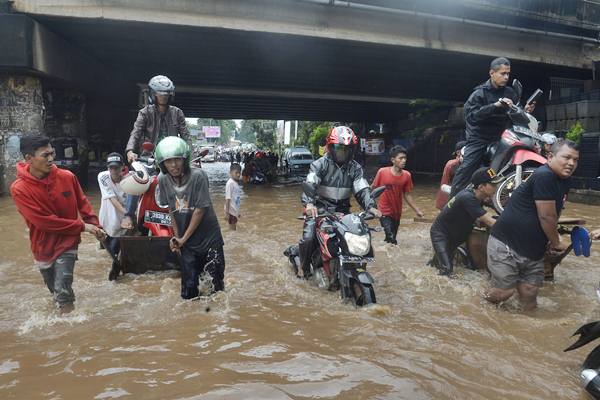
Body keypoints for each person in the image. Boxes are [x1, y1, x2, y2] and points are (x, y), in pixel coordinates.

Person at [11, 136, 105, 312]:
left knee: (62, 293)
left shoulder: (67, 177)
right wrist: (83, 227)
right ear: (29, 159)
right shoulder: (19, 189)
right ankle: (66, 313)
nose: (51, 159)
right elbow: (43, 222)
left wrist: (95, 226)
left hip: (68, 242)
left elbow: (83, 204)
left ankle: (69, 331)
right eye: (45, 155)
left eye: (52, 153)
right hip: (42, 247)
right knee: (56, 292)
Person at [485, 139, 579, 311]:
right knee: (503, 293)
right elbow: (546, 216)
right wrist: (557, 242)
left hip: (532, 249)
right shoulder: (545, 175)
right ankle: (479, 305)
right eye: (566, 157)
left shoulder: (565, 180)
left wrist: (550, 241)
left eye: (575, 160)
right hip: (507, 244)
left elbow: (556, 210)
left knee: (529, 294)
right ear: (550, 156)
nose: (571, 163)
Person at [297, 126, 382, 277]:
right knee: (308, 238)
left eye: (347, 149)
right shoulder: (319, 165)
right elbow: (310, 184)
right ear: (330, 147)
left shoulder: (355, 168)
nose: (343, 152)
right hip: (319, 210)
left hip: (343, 212)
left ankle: (356, 269)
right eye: (339, 148)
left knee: (360, 235)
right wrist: (309, 204)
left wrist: (371, 207)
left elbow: (362, 189)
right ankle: (303, 269)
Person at [450, 57, 535, 199]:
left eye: (508, 73)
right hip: (479, 138)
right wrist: (495, 106)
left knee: (506, 167)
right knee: (465, 170)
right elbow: (472, 117)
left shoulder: (510, 92)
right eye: (502, 73)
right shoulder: (478, 94)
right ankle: (451, 207)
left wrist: (524, 110)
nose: (506, 77)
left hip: (501, 137)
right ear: (492, 73)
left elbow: (514, 112)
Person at [156, 136, 225, 299]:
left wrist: (183, 239)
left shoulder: (198, 176)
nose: (173, 165)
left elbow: (200, 210)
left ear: (184, 159)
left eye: (177, 160)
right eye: (168, 161)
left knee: (214, 291)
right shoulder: (163, 180)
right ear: (162, 164)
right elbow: (172, 211)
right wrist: (176, 238)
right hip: (187, 243)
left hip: (209, 241)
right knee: (188, 292)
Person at [121, 75, 190, 230]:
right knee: (137, 177)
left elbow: (186, 136)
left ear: (170, 96)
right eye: (159, 94)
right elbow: (136, 132)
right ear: (153, 94)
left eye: (166, 94)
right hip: (148, 158)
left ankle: (186, 217)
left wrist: (191, 155)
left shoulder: (177, 113)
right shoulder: (145, 112)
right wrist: (130, 150)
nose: (163, 97)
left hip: (171, 158)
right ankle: (129, 214)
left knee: (188, 182)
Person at [430, 167, 500, 276]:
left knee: (435, 264)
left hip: (455, 236)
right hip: (441, 235)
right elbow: (490, 222)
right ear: (481, 187)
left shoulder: (479, 197)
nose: (496, 187)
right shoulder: (468, 198)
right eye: (493, 184)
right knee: (447, 270)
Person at [371, 145, 424, 244]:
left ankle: (385, 253)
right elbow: (373, 189)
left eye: (405, 158)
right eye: (401, 158)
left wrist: (417, 210)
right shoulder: (382, 172)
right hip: (383, 212)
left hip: (397, 212)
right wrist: (370, 207)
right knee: (391, 237)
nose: (404, 160)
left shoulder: (407, 175)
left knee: (391, 240)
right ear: (393, 160)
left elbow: (407, 195)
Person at [97, 152, 128, 281]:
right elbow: (112, 199)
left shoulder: (130, 180)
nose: (114, 170)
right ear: (108, 168)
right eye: (111, 167)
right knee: (106, 248)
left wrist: (129, 217)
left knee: (117, 249)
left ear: (123, 167)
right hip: (108, 219)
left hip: (124, 222)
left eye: (116, 167)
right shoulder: (103, 177)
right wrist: (128, 215)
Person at [435, 141, 465, 210]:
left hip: (449, 199)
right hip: (449, 200)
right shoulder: (453, 164)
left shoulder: (453, 163)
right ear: (458, 153)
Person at [224, 163, 242, 231]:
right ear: (230, 173)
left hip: (234, 211)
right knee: (232, 231)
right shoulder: (230, 183)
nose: (238, 175)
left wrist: (238, 212)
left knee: (233, 229)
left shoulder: (235, 183)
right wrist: (227, 213)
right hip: (230, 212)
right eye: (236, 173)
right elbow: (228, 199)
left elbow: (236, 199)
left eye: (239, 173)